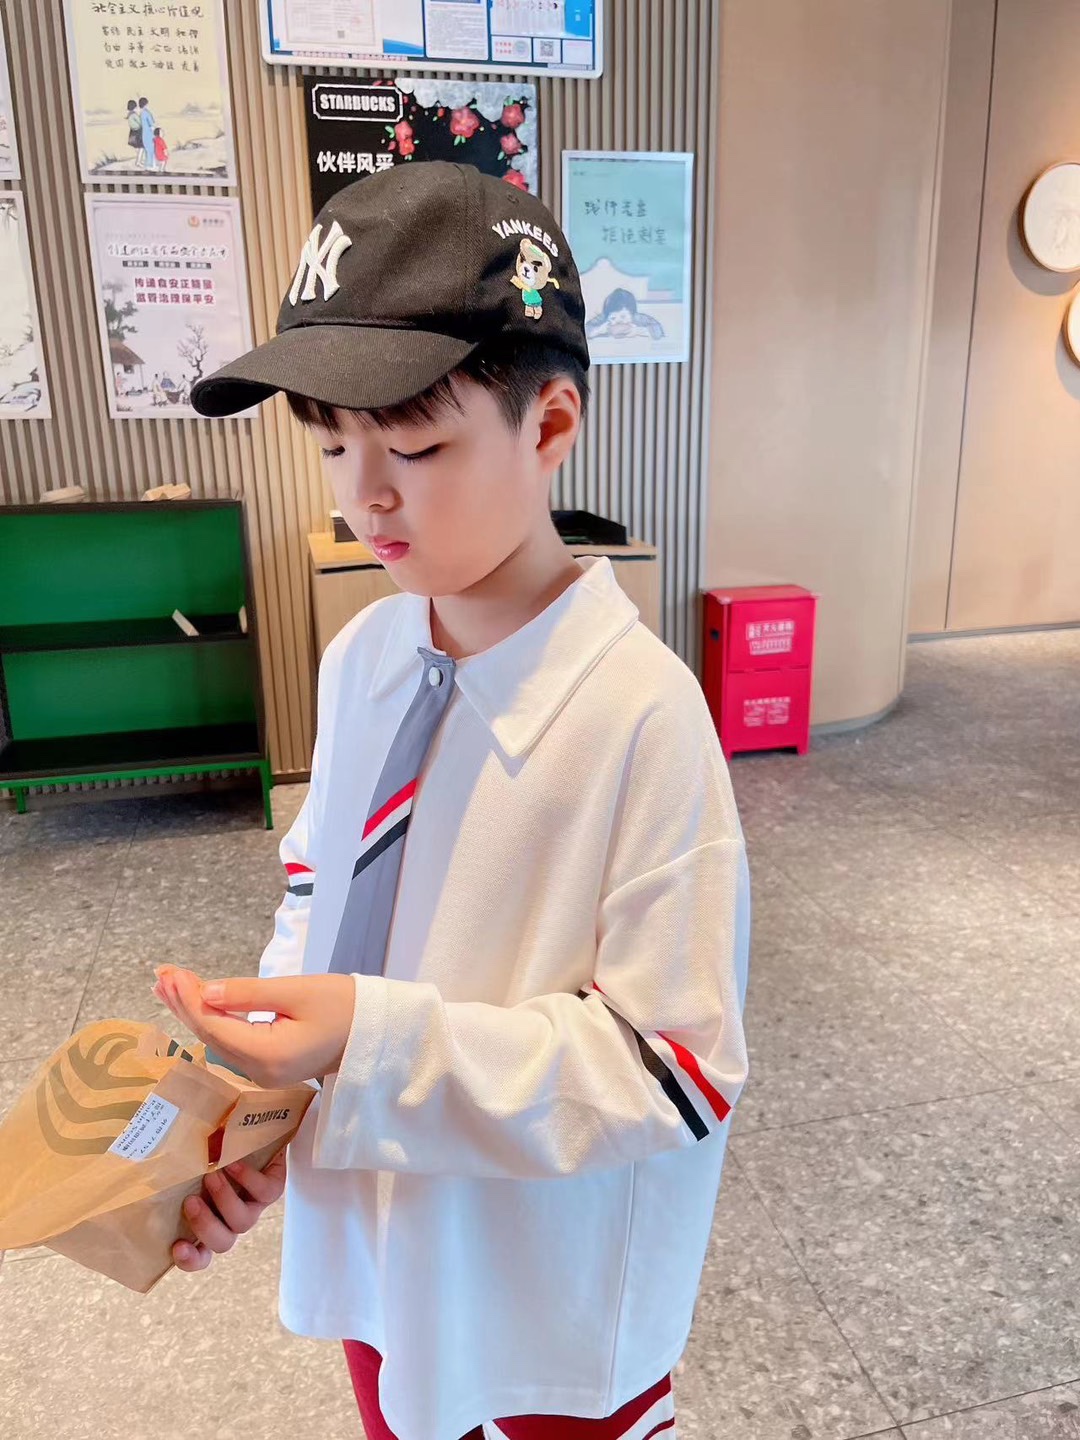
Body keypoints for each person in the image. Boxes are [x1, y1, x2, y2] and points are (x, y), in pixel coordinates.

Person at [160, 162, 750, 1440]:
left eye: (416, 445)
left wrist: (367, 1046)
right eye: (331, 443)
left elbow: (678, 1072)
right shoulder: (362, 660)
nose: (363, 493)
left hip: (543, 1309)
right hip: (379, 1258)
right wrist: (265, 1105)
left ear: (550, 425)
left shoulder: (642, 715)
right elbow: (320, 893)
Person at [138, 97, 156, 171]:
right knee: (151, 149)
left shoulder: (141, 113)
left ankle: (148, 164)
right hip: (149, 133)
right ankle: (150, 165)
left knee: (147, 150)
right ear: (145, 104)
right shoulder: (147, 113)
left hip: (144, 133)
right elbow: (151, 123)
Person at [125, 100, 143, 166]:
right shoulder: (134, 115)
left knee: (137, 147)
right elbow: (140, 122)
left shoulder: (129, 114)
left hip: (132, 132)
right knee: (141, 147)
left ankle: (139, 160)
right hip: (137, 132)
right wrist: (140, 115)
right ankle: (138, 162)